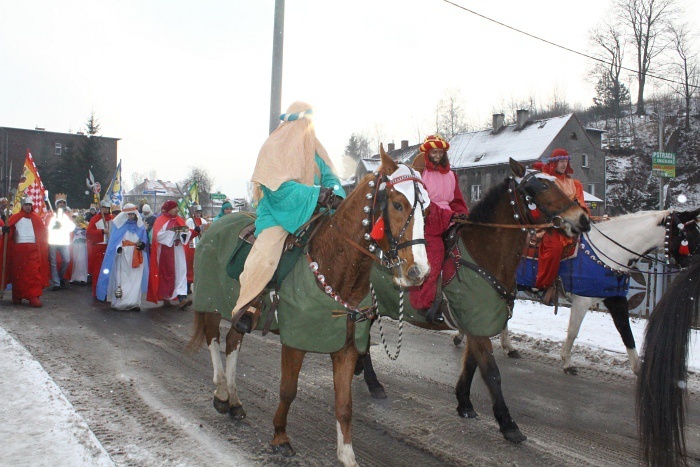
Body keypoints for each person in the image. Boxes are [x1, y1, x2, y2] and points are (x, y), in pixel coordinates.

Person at [232, 101, 345, 334]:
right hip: (278, 211)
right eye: (305, 123)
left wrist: (335, 193)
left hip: (315, 208)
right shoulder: (274, 147)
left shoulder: (315, 148)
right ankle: (250, 304)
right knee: (268, 253)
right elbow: (277, 189)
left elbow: (330, 176)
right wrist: (317, 194)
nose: (308, 128)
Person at [409, 134, 469, 324]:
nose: (437, 155)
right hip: (428, 221)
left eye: (440, 152)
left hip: (449, 218)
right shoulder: (420, 174)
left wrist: (462, 214)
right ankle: (424, 304)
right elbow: (423, 203)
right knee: (435, 255)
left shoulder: (451, 175)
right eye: (433, 152)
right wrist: (447, 216)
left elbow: (457, 200)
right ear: (428, 153)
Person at [533, 148, 591, 305]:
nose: (564, 164)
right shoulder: (546, 180)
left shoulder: (575, 184)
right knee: (555, 246)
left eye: (566, 161)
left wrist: (583, 213)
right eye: (560, 161)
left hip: (572, 223)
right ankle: (543, 285)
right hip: (551, 225)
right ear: (553, 163)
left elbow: (581, 203)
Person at [96, 203, 149, 311]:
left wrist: (142, 244)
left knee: (136, 279)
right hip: (123, 255)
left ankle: (134, 302)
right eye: (129, 214)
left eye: (132, 214)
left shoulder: (140, 226)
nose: (131, 216)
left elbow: (144, 240)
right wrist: (118, 248)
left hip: (137, 255)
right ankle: (121, 302)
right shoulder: (118, 226)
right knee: (122, 278)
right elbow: (115, 241)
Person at [3, 197, 50, 307]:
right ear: (22, 206)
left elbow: (42, 235)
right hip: (19, 251)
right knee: (18, 273)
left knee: (33, 273)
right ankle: (18, 295)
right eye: (26, 205)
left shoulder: (37, 218)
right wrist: (6, 231)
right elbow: (10, 235)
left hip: (33, 250)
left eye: (29, 205)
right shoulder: (15, 218)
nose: (28, 207)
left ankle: (33, 295)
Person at [147, 200, 193, 309]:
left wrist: (190, 232)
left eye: (177, 207)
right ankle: (166, 298)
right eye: (174, 208)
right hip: (166, 252)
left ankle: (182, 298)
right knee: (167, 274)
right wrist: (173, 233)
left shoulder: (179, 220)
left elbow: (186, 233)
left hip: (178, 251)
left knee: (181, 272)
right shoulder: (160, 220)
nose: (177, 210)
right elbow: (157, 236)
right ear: (168, 209)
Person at [45, 193, 75, 291]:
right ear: (56, 204)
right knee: (53, 262)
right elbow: (46, 227)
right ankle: (56, 282)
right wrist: (53, 226)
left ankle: (60, 277)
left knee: (66, 260)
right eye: (60, 203)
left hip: (63, 241)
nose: (61, 204)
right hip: (53, 241)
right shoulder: (50, 215)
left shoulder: (66, 216)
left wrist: (62, 226)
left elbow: (72, 227)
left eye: (63, 203)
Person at [87, 200, 113, 298]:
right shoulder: (95, 219)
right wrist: (102, 232)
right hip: (99, 247)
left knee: (109, 271)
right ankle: (97, 292)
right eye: (103, 208)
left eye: (106, 208)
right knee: (98, 271)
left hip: (109, 247)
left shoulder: (112, 219)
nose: (105, 210)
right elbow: (89, 233)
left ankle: (107, 291)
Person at [185, 204, 208, 293]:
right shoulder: (189, 221)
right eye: (196, 212)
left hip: (200, 244)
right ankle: (188, 285)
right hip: (191, 245)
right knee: (190, 266)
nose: (198, 214)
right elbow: (189, 232)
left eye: (199, 212)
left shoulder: (203, 221)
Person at [69, 213, 89, 285]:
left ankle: (82, 277)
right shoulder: (73, 229)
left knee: (82, 261)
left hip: (82, 246)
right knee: (75, 260)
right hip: (75, 246)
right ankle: (73, 277)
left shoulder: (85, 229)